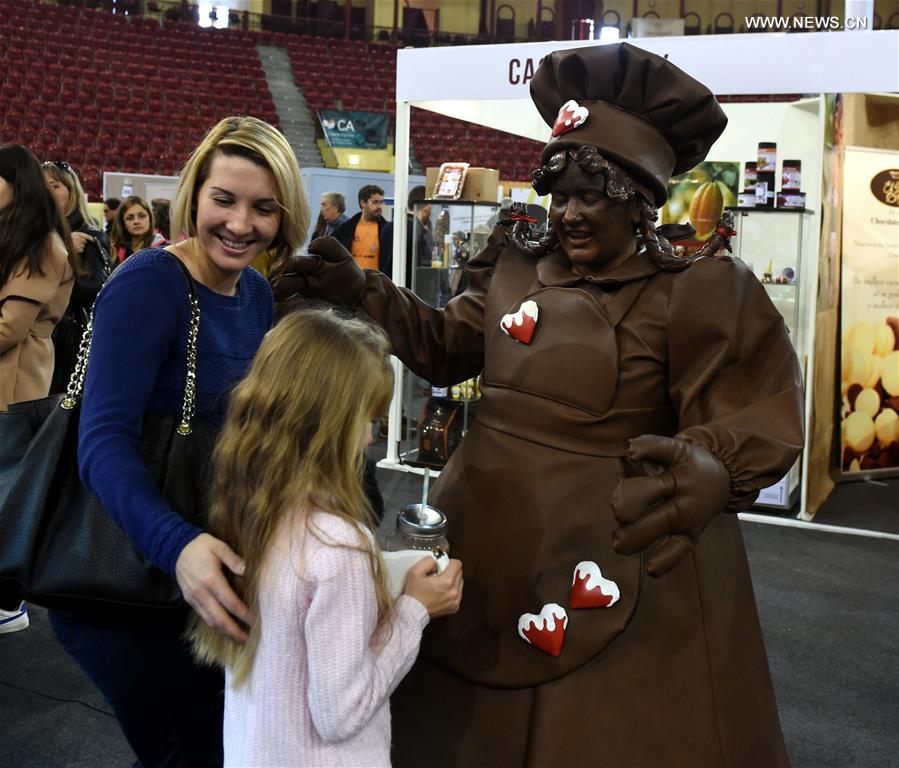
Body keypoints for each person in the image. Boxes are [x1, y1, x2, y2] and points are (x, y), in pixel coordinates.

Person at [272, 43, 804, 767]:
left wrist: (709, 466)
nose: (571, 214)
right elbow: (449, 348)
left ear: (638, 198)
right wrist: (365, 292)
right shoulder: (515, 260)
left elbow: (750, 409)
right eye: (562, 194)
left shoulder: (697, 289)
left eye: (593, 195)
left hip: (615, 548)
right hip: (488, 527)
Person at [47, 116, 310, 768]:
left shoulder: (253, 291)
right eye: (224, 198)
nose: (240, 223)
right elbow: (101, 441)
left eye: (263, 207)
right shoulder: (150, 283)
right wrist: (179, 545)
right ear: (194, 194)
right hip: (121, 585)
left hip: (198, 577)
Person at [190, 308, 463, 767]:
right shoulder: (340, 547)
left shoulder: (251, 507)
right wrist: (416, 609)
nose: (369, 438)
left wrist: (386, 572)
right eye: (367, 420)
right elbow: (342, 712)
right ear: (330, 425)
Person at [0, 144, 77, 633]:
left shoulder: (44, 245)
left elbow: (8, 329)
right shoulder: (15, 237)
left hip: (14, 387)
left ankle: (10, 602)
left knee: (7, 496)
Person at [42, 160, 111, 394]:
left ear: (71, 192)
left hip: (66, 346)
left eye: (55, 185)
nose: (47, 191)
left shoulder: (90, 236)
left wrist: (63, 255)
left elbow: (93, 290)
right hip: (34, 342)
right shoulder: (36, 235)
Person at [333, 183, 392, 278]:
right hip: (351, 281)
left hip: (376, 283)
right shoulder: (345, 229)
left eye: (381, 202)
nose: (379, 206)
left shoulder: (387, 230)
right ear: (362, 203)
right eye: (375, 202)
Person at [108, 194, 166, 265]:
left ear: (150, 219)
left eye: (142, 216)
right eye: (130, 218)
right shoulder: (115, 250)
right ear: (123, 224)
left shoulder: (163, 249)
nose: (136, 221)